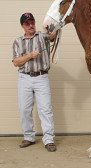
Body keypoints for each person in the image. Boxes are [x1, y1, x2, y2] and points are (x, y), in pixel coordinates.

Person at [12, 12, 56, 152]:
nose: (31, 25)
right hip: (24, 78)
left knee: (45, 109)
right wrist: (30, 55)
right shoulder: (17, 41)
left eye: (32, 22)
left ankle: (48, 140)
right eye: (27, 23)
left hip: (41, 77)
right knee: (25, 109)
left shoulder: (42, 37)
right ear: (22, 26)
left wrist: (54, 26)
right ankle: (29, 137)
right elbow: (16, 62)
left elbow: (52, 35)